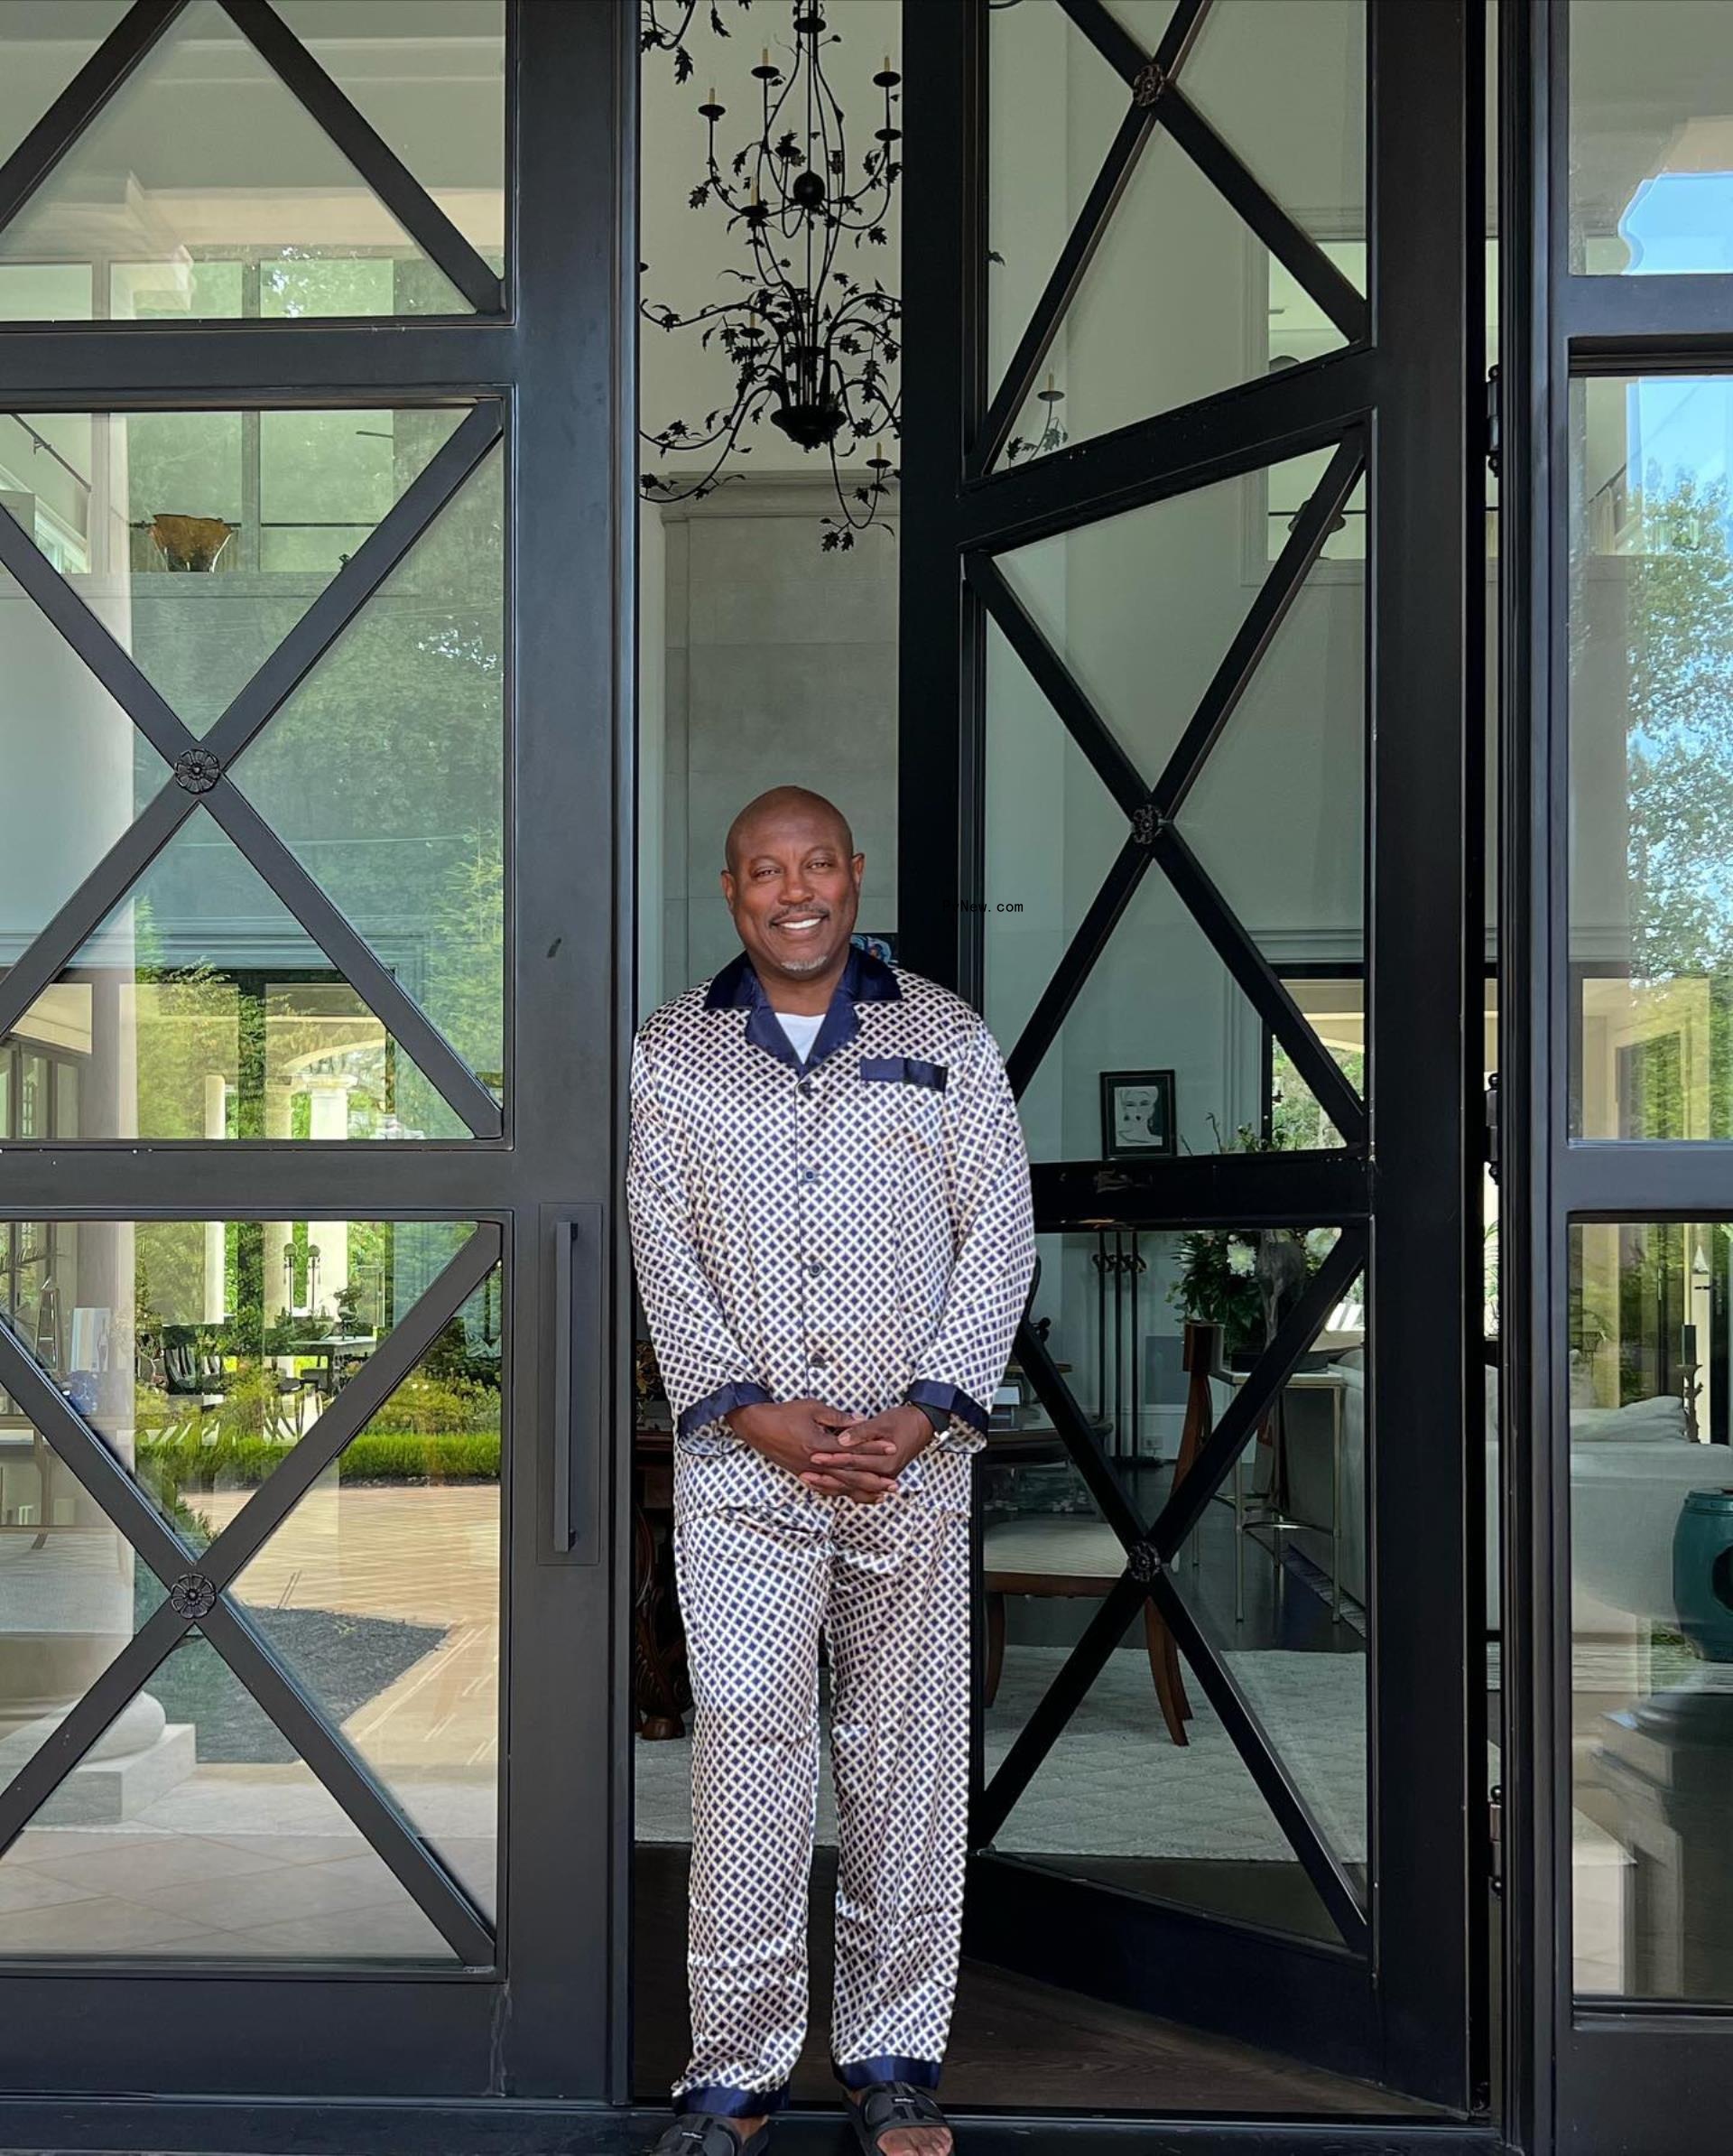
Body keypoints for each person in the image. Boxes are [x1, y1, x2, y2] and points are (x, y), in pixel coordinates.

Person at [628, 786, 1034, 2156]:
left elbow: (1002, 1237)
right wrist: (751, 1412)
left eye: (815, 866)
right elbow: (660, 1246)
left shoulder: (947, 1040)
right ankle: (733, 2071)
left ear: (854, 876)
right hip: (746, 1478)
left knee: (904, 1759)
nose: (791, 892)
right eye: (762, 871)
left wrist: (924, 1415)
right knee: (749, 1747)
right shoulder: (673, 1055)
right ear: (730, 888)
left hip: (910, 1469)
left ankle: (893, 2058)